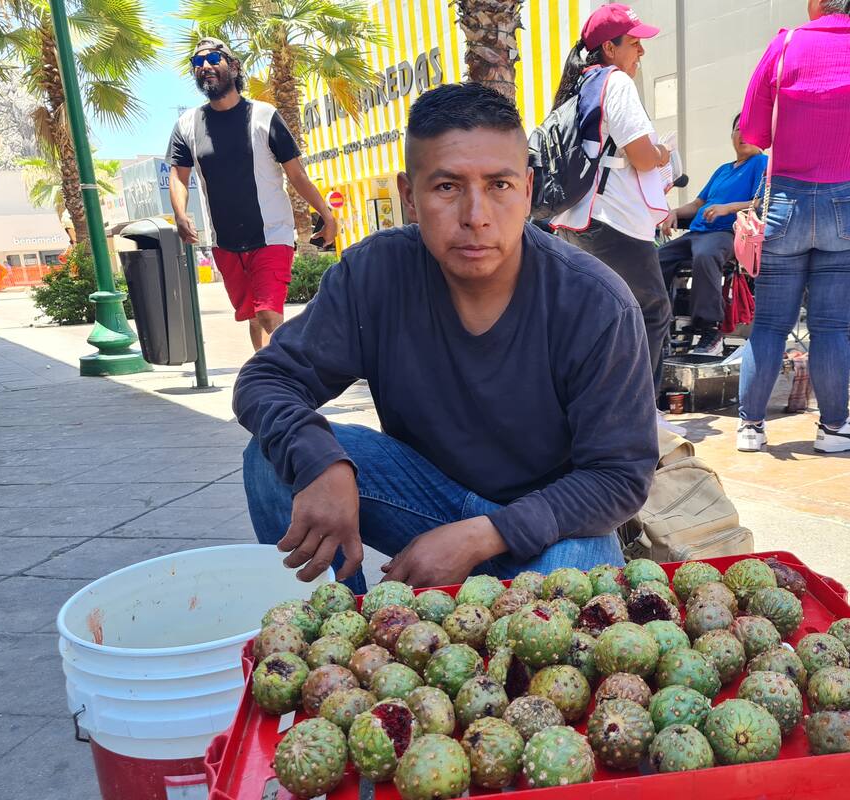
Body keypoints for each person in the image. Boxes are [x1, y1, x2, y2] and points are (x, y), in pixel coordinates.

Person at [236, 83, 658, 591]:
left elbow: (619, 476)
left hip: (552, 529)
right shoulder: (376, 274)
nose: (476, 216)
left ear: (527, 190)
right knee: (275, 458)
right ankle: (337, 630)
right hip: (426, 502)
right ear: (409, 196)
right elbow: (267, 379)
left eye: (499, 185)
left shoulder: (595, 303)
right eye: (447, 187)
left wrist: (485, 536)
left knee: (562, 599)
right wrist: (319, 463)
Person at [736, 0, 850, 454]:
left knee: (769, 325)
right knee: (831, 327)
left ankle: (751, 428)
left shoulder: (786, 45)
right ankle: (835, 428)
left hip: (787, 203)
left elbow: (753, 133)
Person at [167, 37, 338, 352]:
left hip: (272, 234)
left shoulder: (263, 115)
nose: (205, 66)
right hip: (224, 242)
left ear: (233, 66)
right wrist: (180, 214)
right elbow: (179, 176)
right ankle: (266, 377)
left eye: (213, 58)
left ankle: (291, 373)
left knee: (268, 312)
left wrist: (326, 215)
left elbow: (296, 174)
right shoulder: (187, 125)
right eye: (197, 62)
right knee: (253, 316)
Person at [548, 4, 672, 397]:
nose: (641, 51)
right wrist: (662, 155)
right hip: (615, 221)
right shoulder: (615, 82)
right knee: (652, 312)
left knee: (598, 318)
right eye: (634, 43)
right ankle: (640, 415)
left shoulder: (579, 85)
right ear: (609, 48)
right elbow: (642, 156)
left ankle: (592, 406)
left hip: (575, 221)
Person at [658, 114, 768, 355]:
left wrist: (727, 208)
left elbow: (762, 202)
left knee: (706, 256)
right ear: (732, 136)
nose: (743, 134)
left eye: (749, 129)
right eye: (738, 129)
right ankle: (657, 322)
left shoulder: (761, 163)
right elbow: (698, 204)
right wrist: (673, 212)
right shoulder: (723, 170)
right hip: (697, 232)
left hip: (728, 232)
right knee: (655, 258)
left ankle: (710, 330)